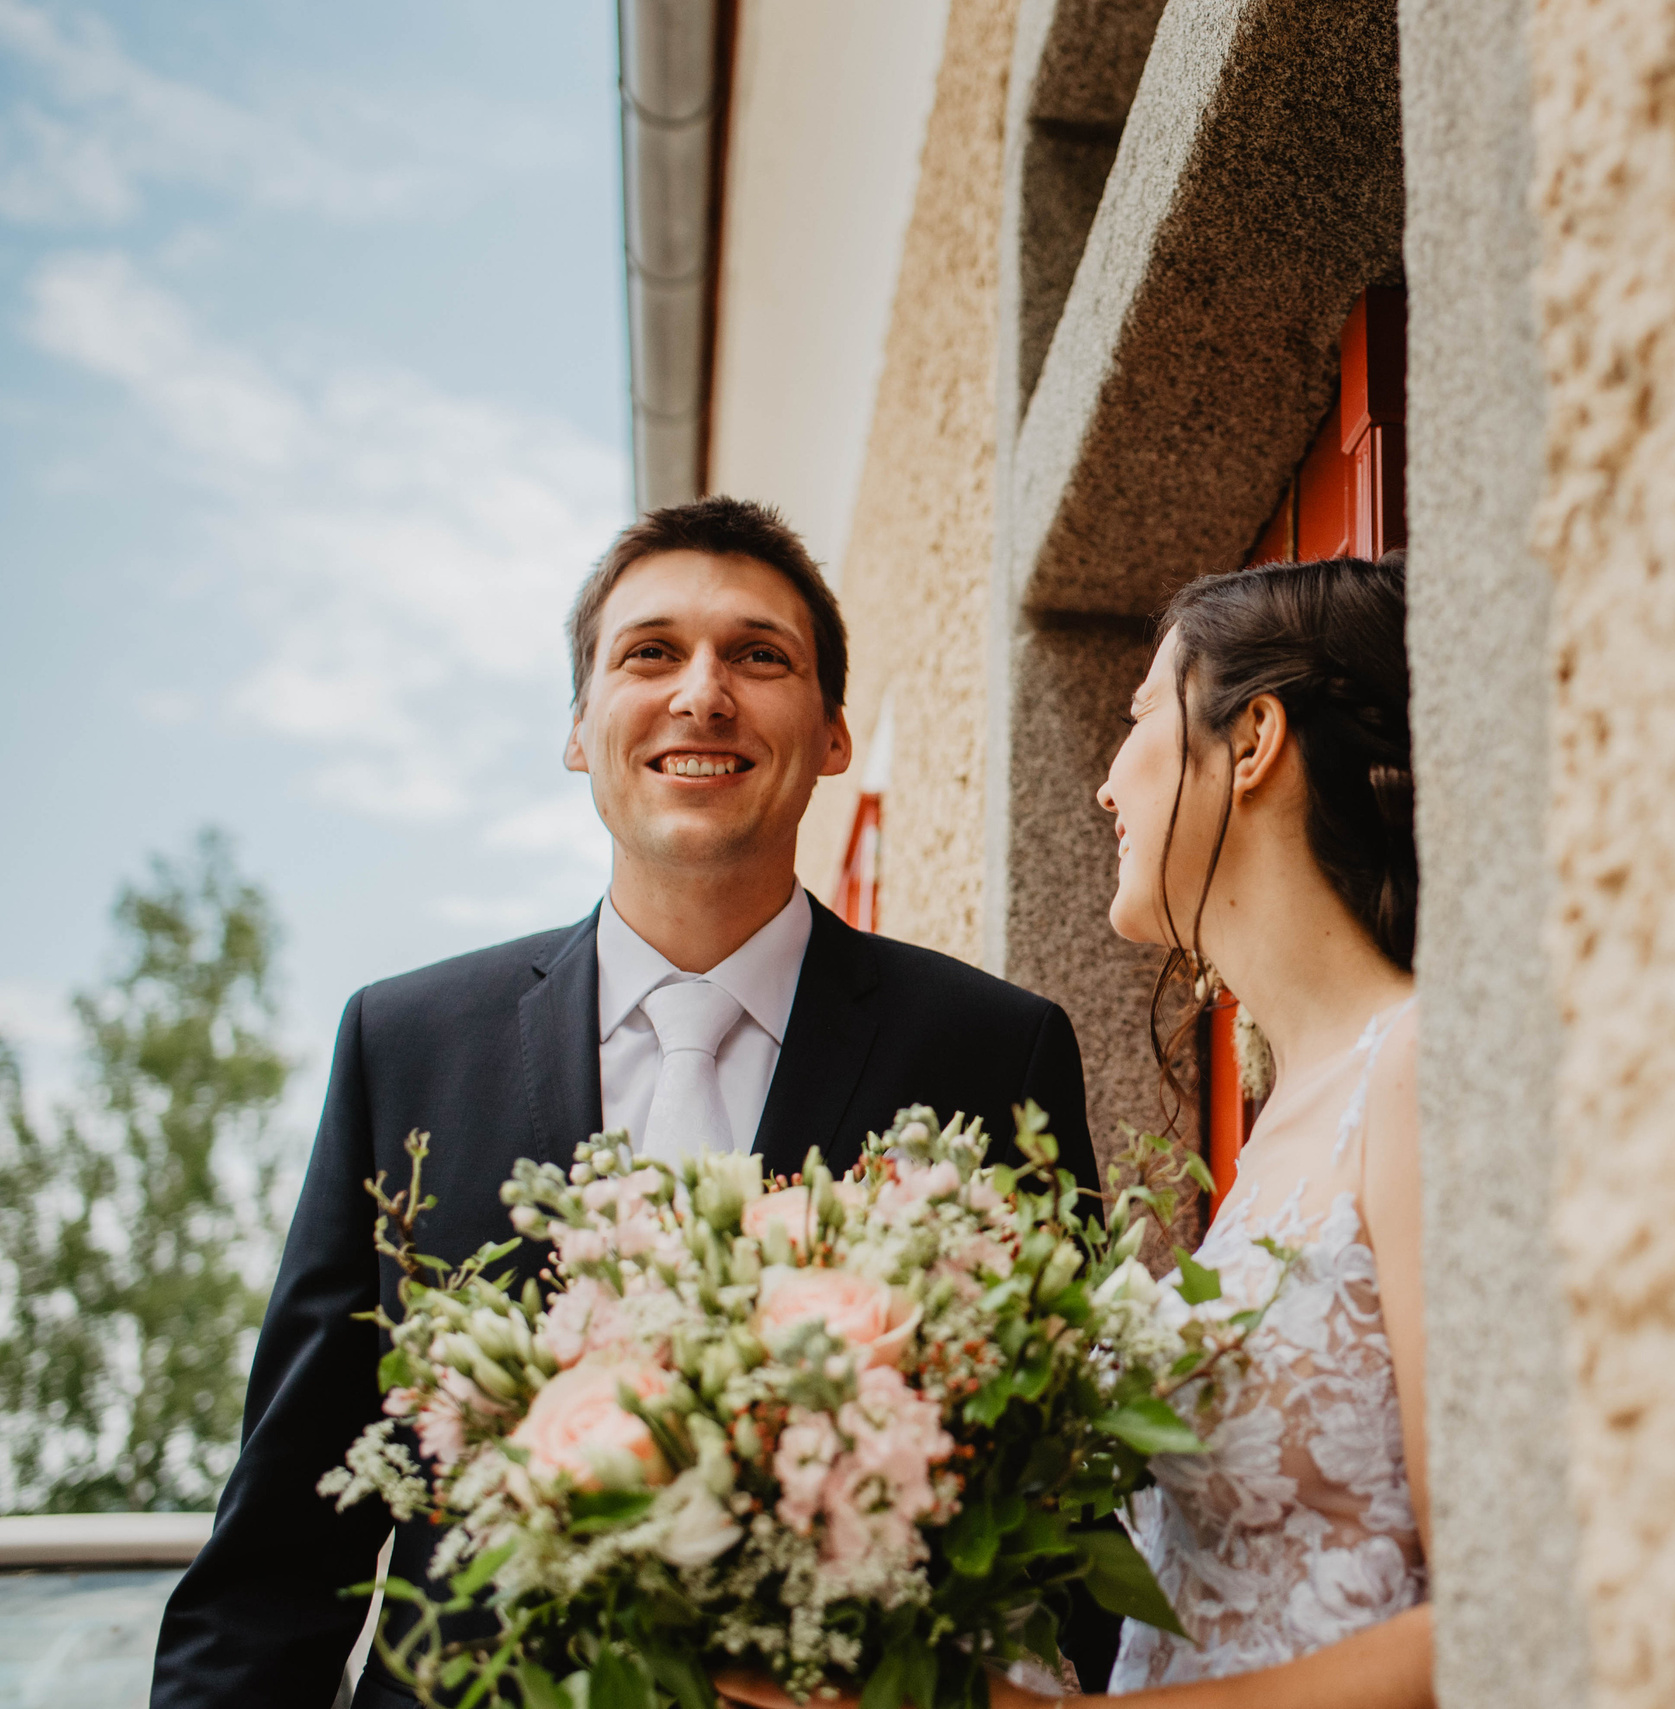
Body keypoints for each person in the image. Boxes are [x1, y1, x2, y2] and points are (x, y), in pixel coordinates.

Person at [151, 497, 1116, 1709]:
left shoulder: (991, 1051)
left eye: (758, 655)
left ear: (830, 735)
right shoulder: (405, 1045)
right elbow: (284, 1540)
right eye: (649, 652)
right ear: (577, 727)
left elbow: (1070, 1519)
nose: (701, 694)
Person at [1057, 554, 1437, 1706]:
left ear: (1254, 738)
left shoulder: (1419, 1067)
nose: (1106, 785)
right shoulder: (1273, 1133)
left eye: (1137, 720)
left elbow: (1502, 1607)